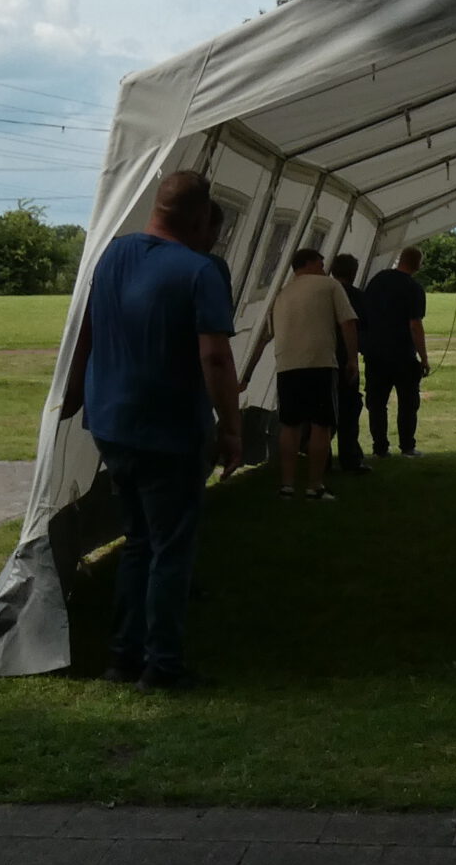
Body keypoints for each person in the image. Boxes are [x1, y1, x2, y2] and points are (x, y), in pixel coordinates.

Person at [58, 171, 242, 692]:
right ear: (201, 217)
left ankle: (123, 658)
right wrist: (231, 429)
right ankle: (163, 665)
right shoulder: (200, 270)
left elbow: (87, 334)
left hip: (111, 423)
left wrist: (73, 397)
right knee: (170, 549)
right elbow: (215, 357)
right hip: (169, 429)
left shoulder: (111, 256)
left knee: (138, 541)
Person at [264, 249, 357, 500]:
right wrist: (352, 358)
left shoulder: (282, 294)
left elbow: (268, 334)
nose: (324, 268)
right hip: (320, 362)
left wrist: (249, 374)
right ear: (310, 263)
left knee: (290, 425)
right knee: (321, 425)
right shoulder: (330, 286)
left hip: (287, 364)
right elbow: (348, 322)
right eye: (321, 263)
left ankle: (287, 484)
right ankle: (315, 485)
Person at [359, 245, 430, 457]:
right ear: (418, 264)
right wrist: (424, 358)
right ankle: (407, 446)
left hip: (375, 353)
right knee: (408, 403)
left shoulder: (377, 280)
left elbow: (364, 314)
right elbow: (415, 325)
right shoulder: (414, 288)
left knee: (377, 403)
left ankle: (380, 447)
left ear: (400, 259)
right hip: (403, 354)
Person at [328, 252, 369, 474]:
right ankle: (350, 457)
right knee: (349, 409)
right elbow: (364, 327)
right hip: (346, 358)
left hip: (323, 357)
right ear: (353, 273)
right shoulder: (357, 297)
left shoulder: (323, 295)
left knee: (323, 412)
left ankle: (321, 458)